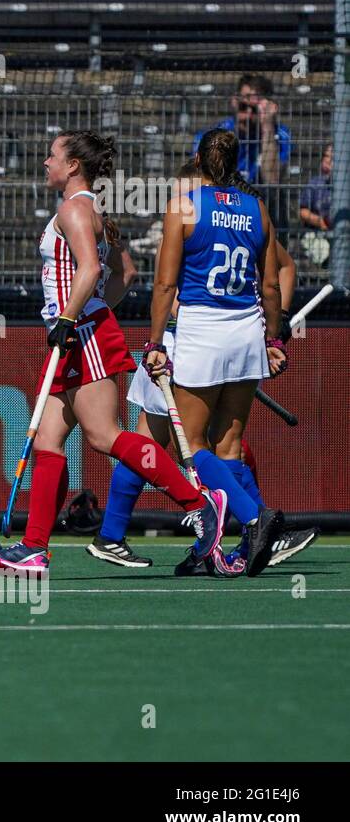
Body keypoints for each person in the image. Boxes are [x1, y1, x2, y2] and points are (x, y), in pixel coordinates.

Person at [0, 131, 227, 574]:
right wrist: (88, 313)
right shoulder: (87, 208)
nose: (45, 163)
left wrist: (74, 318)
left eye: (51, 155)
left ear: (73, 165)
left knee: (103, 436)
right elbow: (125, 273)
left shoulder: (73, 208)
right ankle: (35, 547)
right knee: (47, 439)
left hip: (81, 335)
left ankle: (199, 505)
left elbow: (95, 269)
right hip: (79, 332)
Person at [144, 129, 288, 577]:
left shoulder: (184, 207)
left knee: (192, 445)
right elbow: (269, 285)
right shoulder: (257, 208)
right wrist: (275, 340)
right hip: (246, 332)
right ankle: (231, 548)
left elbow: (166, 284)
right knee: (229, 444)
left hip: (202, 332)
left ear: (197, 160)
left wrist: (153, 344)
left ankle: (252, 515)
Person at [192, 73, 289, 190]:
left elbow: (272, 180)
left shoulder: (279, 135)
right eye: (243, 106)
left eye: (254, 109)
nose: (247, 115)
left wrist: (267, 127)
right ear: (234, 102)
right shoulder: (213, 134)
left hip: (262, 201)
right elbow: (203, 180)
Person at [299, 143, 333, 231]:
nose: (328, 160)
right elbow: (303, 212)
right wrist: (321, 222)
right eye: (326, 156)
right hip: (318, 233)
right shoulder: (315, 183)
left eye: (333, 158)